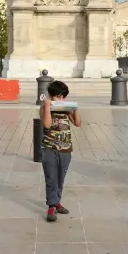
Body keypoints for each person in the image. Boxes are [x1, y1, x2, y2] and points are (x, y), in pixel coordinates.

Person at [40, 80, 81, 222]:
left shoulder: (65, 109)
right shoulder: (45, 107)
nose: (61, 100)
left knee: (60, 178)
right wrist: (46, 107)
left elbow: (77, 123)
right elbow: (46, 124)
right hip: (50, 148)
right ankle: (51, 206)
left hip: (65, 149)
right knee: (51, 178)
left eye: (63, 97)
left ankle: (57, 201)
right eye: (58, 97)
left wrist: (74, 110)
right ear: (51, 96)